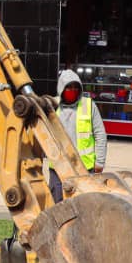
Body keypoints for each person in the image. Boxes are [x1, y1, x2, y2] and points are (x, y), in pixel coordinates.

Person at [46, 69, 107, 202]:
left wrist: (100, 161)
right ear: (61, 87)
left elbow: (100, 134)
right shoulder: (51, 105)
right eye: (68, 87)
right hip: (58, 167)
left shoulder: (89, 105)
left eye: (75, 87)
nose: (72, 90)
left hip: (84, 167)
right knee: (58, 205)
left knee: (83, 204)